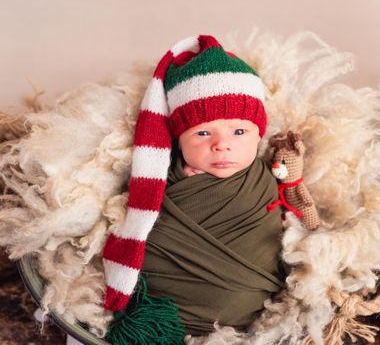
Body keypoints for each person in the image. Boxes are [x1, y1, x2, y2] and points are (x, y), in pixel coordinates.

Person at [102, 34, 286, 343]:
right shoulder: (162, 174)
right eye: (202, 133)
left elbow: (284, 233)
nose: (222, 145)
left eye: (239, 131)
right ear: (178, 140)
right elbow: (143, 225)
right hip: (160, 309)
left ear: (259, 135)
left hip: (248, 304)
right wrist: (184, 182)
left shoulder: (263, 178)